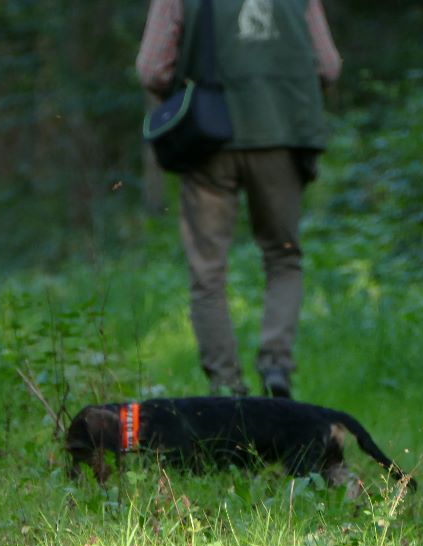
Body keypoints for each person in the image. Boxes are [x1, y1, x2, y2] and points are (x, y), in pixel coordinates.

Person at [137, 0, 341, 398]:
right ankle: (276, 365)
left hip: (208, 136)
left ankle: (227, 387)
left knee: (208, 271)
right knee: (283, 255)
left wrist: (189, 85)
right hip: (281, 135)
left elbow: (151, 68)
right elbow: (329, 67)